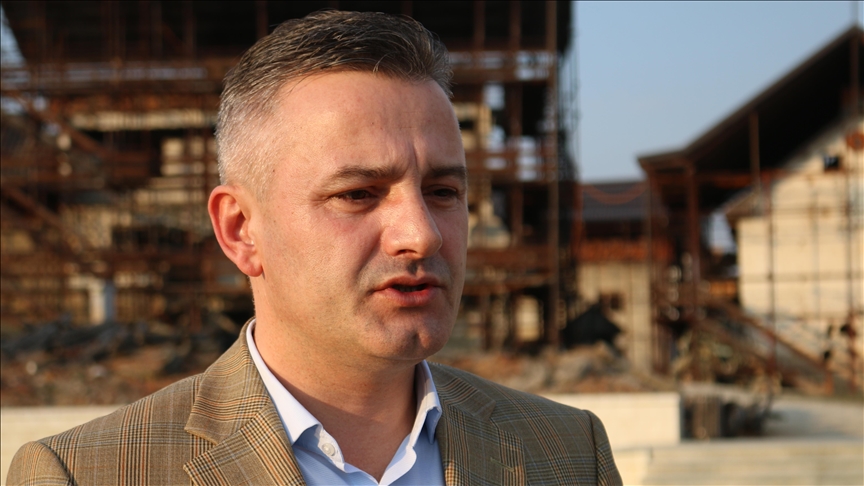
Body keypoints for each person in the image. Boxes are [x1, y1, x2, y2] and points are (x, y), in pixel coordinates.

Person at [8, 10, 621, 485]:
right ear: (240, 230)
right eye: (356, 194)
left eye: (443, 191)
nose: (422, 233)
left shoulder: (569, 453)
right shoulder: (88, 474)